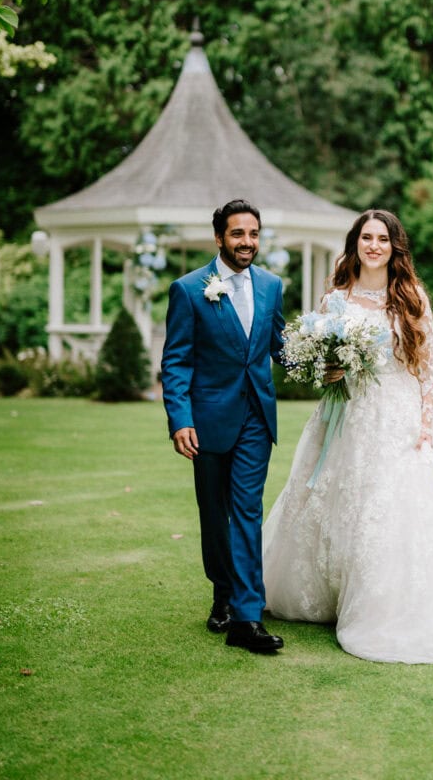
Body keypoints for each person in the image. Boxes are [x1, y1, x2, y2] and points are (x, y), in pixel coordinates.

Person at [263, 209, 433, 663]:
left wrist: (426, 426)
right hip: (345, 415)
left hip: (394, 419)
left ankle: (382, 604)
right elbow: (323, 374)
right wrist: (331, 369)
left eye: (383, 239)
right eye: (367, 237)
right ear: (356, 243)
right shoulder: (335, 300)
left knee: (384, 509)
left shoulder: (411, 296)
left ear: (394, 246)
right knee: (335, 499)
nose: (374, 246)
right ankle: (327, 595)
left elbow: (429, 368)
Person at [161, 198, 286, 654]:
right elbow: (175, 361)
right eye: (238, 234)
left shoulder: (272, 286)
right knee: (215, 516)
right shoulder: (190, 289)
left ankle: (246, 618)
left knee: (247, 512)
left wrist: (325, 360)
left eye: (253, 234)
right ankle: (223, 594)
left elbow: (280, 347)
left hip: (256, 417)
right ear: (220, 238)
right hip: (208, 421)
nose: (247, 242)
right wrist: (180, 419)